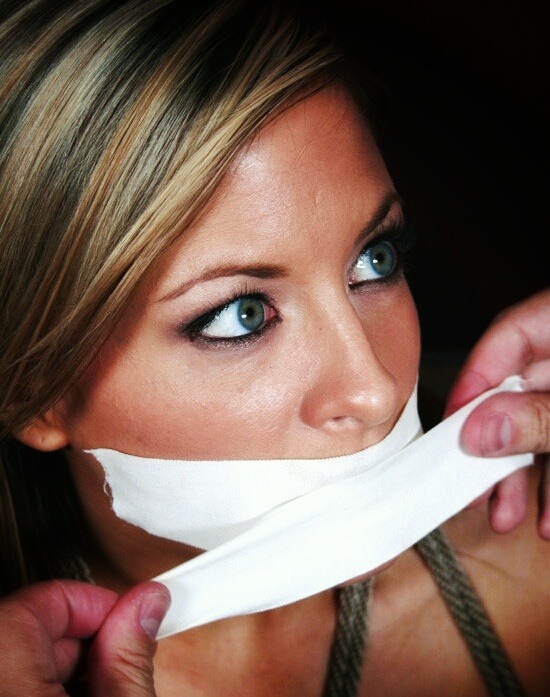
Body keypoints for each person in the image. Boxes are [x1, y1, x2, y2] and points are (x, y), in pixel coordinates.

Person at [0, 1, 548, 695]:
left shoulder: (532, 560)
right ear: (37, 392)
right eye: (243, 315)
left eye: (375, 259)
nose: (375, 389)